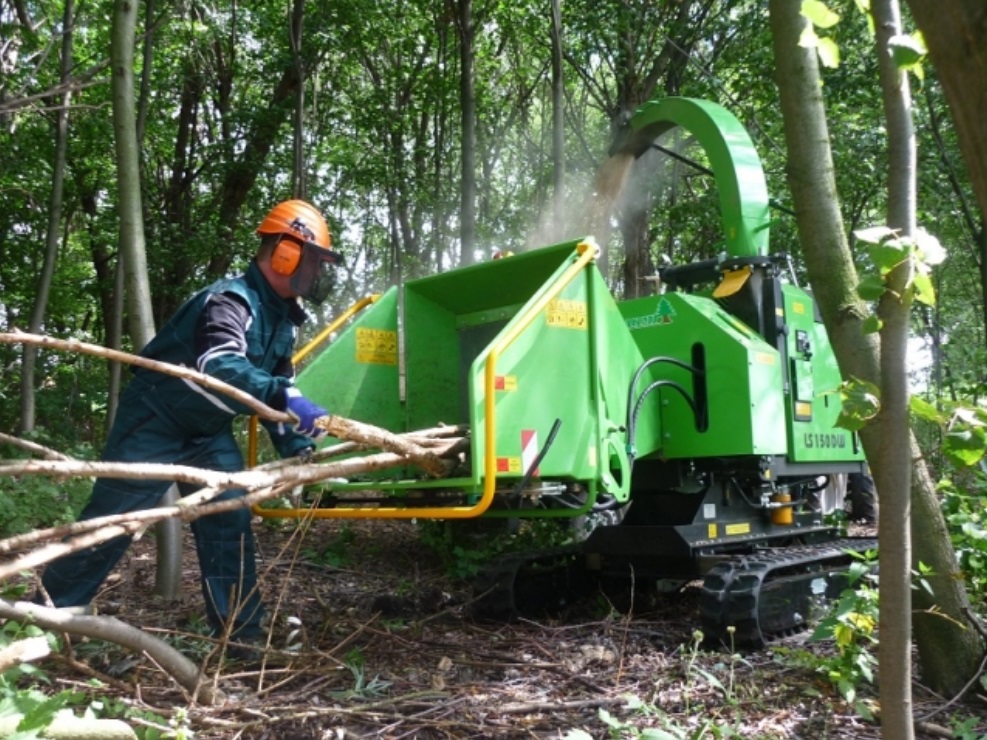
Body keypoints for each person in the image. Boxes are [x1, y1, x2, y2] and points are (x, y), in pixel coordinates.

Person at [36, 199, 342, 647]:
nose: (317, 274)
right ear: (285, 253)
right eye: (314, 262)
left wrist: (297, 449)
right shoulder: (231, 300)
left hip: (207, 431)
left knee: (229, 519)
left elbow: (277, 393)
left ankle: (242, 634)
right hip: (155, 418)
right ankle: (44, 618)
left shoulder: (283, 319)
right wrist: (285, 394)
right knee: (113, 520)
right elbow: (218, 363)